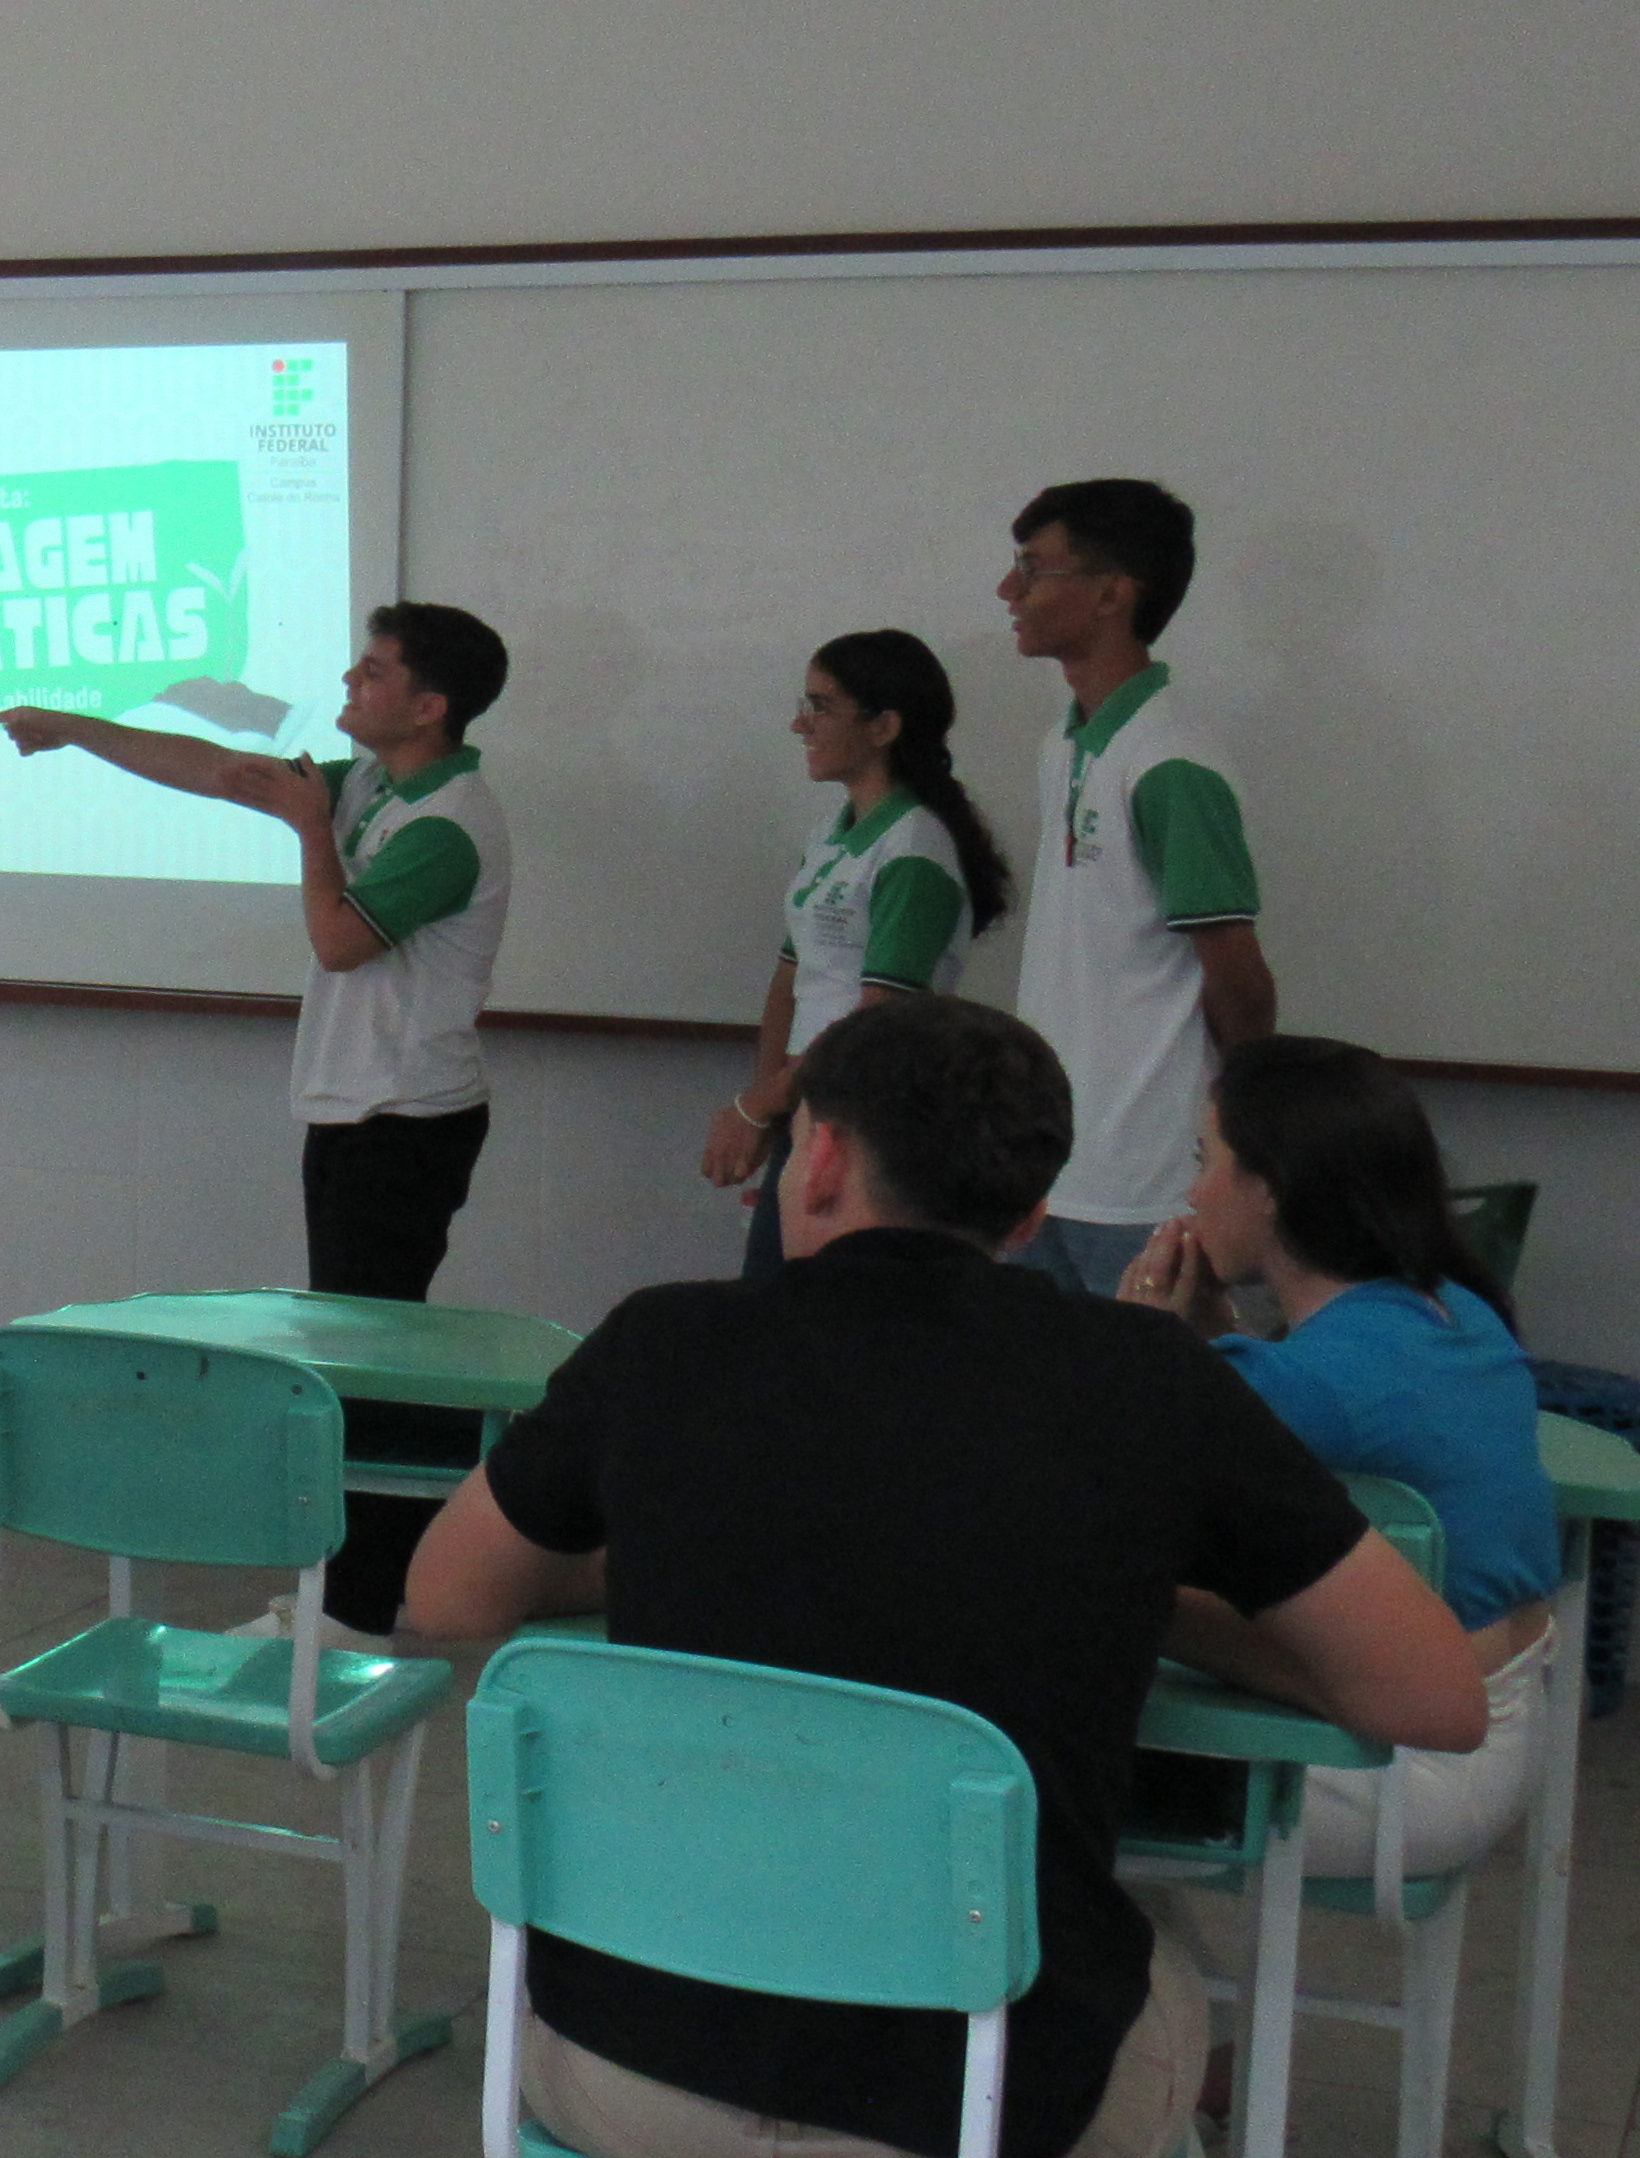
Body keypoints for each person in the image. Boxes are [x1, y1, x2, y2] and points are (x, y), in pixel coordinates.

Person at [404, 995, 1486, 2158]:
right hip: (982, 2106)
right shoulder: (1150, 1379)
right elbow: (1437, 1696)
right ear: (1029, 1214)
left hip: (630, 2068)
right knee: (1154, 1951)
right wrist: (1144, 1592)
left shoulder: (658, 1342)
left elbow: (447, 1596)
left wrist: (683, 1541)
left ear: (822, 1157)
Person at [0, 600, 514, 1631]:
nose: (351, 682)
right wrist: (75, 728)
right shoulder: (376, 784)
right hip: (358, 1113)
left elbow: (340, 942)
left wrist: (312, 832)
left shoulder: (449, 824)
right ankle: (381, 1589)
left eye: (374, 671)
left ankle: (359, 1607)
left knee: (368, 1373)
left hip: (405, 1122)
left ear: (430, 706)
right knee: (360, 1359)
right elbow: (216, 768)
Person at [1122, 1036, 1556, 1884]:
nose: (1191, 1192)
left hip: (1406, 1775)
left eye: (1205, 1161)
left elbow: (1109, 1466)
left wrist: (1148, 1344)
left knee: (1035, 1774)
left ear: (1271, 1190)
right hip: (1497, 1733)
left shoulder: (1311, 1383)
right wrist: (1215, 1344)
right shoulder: (1448, 1306)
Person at [998, 480, 1275, 1293]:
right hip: (1048, 1164)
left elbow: (1236, 973)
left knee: (1142, 1372)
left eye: (1033, 568)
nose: (1009, 590)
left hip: (1144, 1182)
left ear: (1112, 594)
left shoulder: (1171, 761)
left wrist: (1246, 1125)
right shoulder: (1064, 742)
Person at [697, 632, 1014, 1274]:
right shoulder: (832, 833)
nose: (800, 724)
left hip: (870, 1123)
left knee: (823, 1303)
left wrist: (757, 1106)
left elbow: (877, 1023)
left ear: (883, 726)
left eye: (820, 707)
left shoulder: (914, 850)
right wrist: (769, 1108)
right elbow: (790, 981)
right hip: (808, 1105)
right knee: (773, 1300)